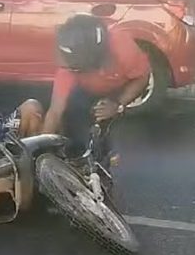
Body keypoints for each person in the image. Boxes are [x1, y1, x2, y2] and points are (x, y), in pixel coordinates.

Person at [40, 15, 151, 165]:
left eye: (75, 66)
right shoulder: (68, 66)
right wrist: (40, 151)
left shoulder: (123, 48)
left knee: (113, 147)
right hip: (85, 92)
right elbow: (55, 112)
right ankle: (77, 158)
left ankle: (106, 163)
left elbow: (142, 78)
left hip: (118, 91)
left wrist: (118, 105)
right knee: (76, 130)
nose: (66, 66)